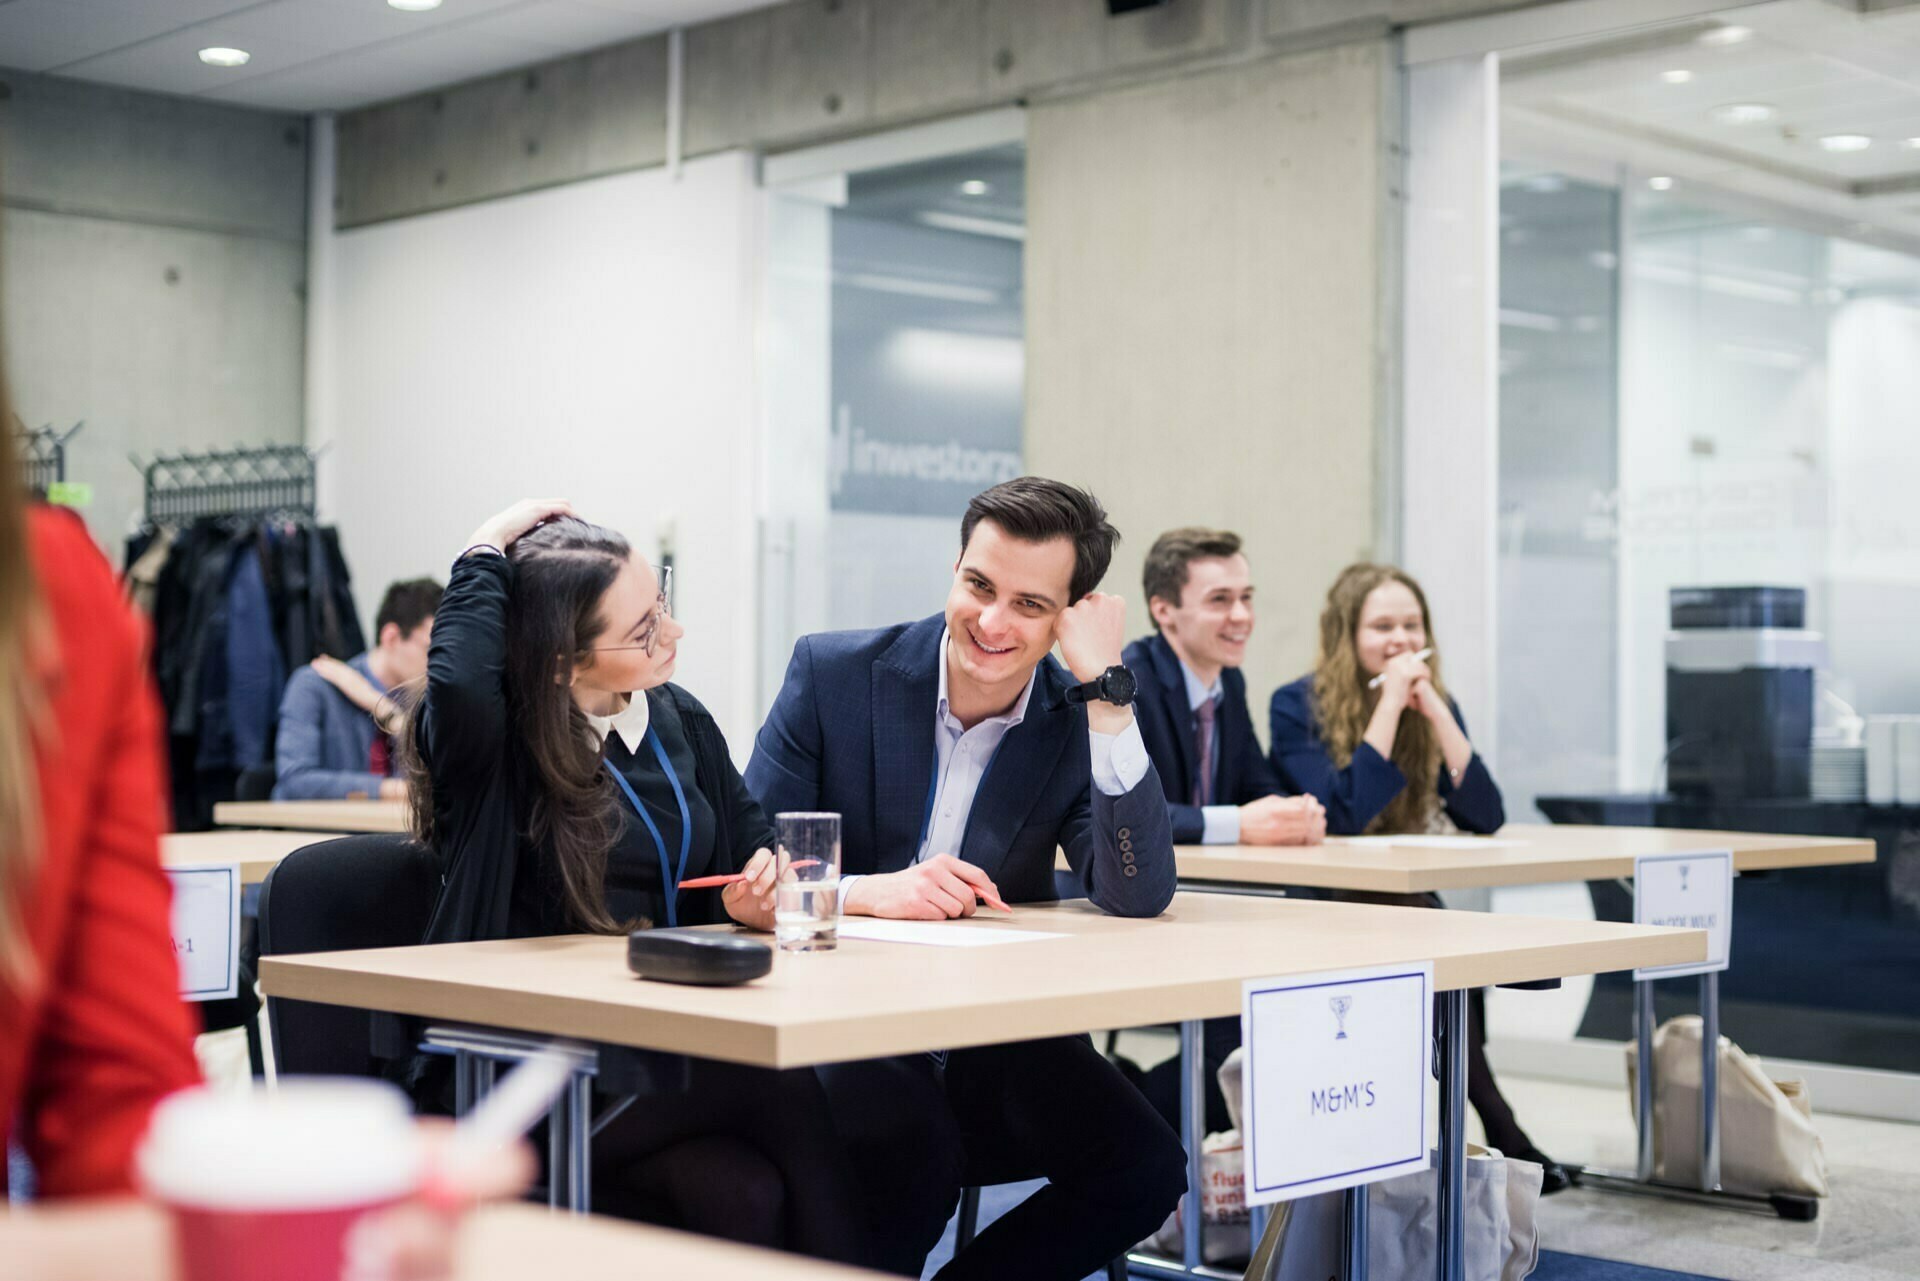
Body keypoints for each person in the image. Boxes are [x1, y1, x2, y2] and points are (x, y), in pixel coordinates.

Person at [405, 499, 869, 1263]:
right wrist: (485, 545)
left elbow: (758, 847)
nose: (674, 634)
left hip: (655, 1053)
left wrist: (752, 899)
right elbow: (456, 682)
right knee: (775, 1084)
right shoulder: (495, 751)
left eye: (664, 606)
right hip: (528, 1072)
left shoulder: (678, 719)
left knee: (745, 1194)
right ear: (562, 658)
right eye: (645, 629)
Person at [746, 477, 1186, 1281]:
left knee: (1147, 1163)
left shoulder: (1074, 714)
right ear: (954, 568)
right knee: (910, 1156)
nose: (990, 621)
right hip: (847, 1029)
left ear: (1068, 616)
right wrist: (867, 890)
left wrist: (1109, 693)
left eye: (1029, 604)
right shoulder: (835, 671)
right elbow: (748, 860)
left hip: (994, 1038)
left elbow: (1137, 889)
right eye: (979, 586)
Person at [1267, 562, 1568, 1192]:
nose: (1401, 639)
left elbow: (1485, 814)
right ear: (1346, 633)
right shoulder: (1296, 705)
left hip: (1402, 903)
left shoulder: (1432, 706)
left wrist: (1434, 709)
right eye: (1382, 626)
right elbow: (1343, 814)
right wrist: (1385, 708)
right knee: (1437, 935)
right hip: (1322, 903)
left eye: (1412, 624)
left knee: (1439, 937)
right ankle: (1495, 1122)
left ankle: (1478, 1126)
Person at [1120, 527, 1325, 1134]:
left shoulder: (1226, 682)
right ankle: (1135, 1113)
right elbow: (1133, 809)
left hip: (1211, 901)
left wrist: (1292, 814)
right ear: (1164, 611)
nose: (1241, 617)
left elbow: (1258, 784)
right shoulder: (1128, 679)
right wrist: (1244, 822)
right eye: (1219, 600)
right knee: (1254, 1021)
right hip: (1138, 904)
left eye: (1247, 597)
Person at [273, 577, 442, 801]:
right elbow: (295, 782)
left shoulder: (425, 701)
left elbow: (440, 783)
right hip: (317, 832)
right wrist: (396, 790)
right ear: (391, 637)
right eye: (431, 649)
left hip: (387, 832)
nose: (440, 663)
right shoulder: (314, 685)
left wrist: (382, 708)